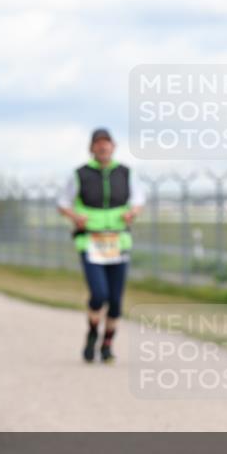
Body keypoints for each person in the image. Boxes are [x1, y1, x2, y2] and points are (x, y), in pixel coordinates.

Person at [57, 128, 144, 363]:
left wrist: (133, 213)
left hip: (118, 241)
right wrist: (75, 217)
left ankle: (107, 344)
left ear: (113, 147)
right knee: (99, 294)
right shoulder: (80, 174)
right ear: (91, 148)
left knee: (115, 300)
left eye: (107, 143)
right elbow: (63, 203)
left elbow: (138, 200)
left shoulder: (126, 173)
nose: (103, 147)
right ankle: (93, 331)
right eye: (99, 144)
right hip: (91, 241)